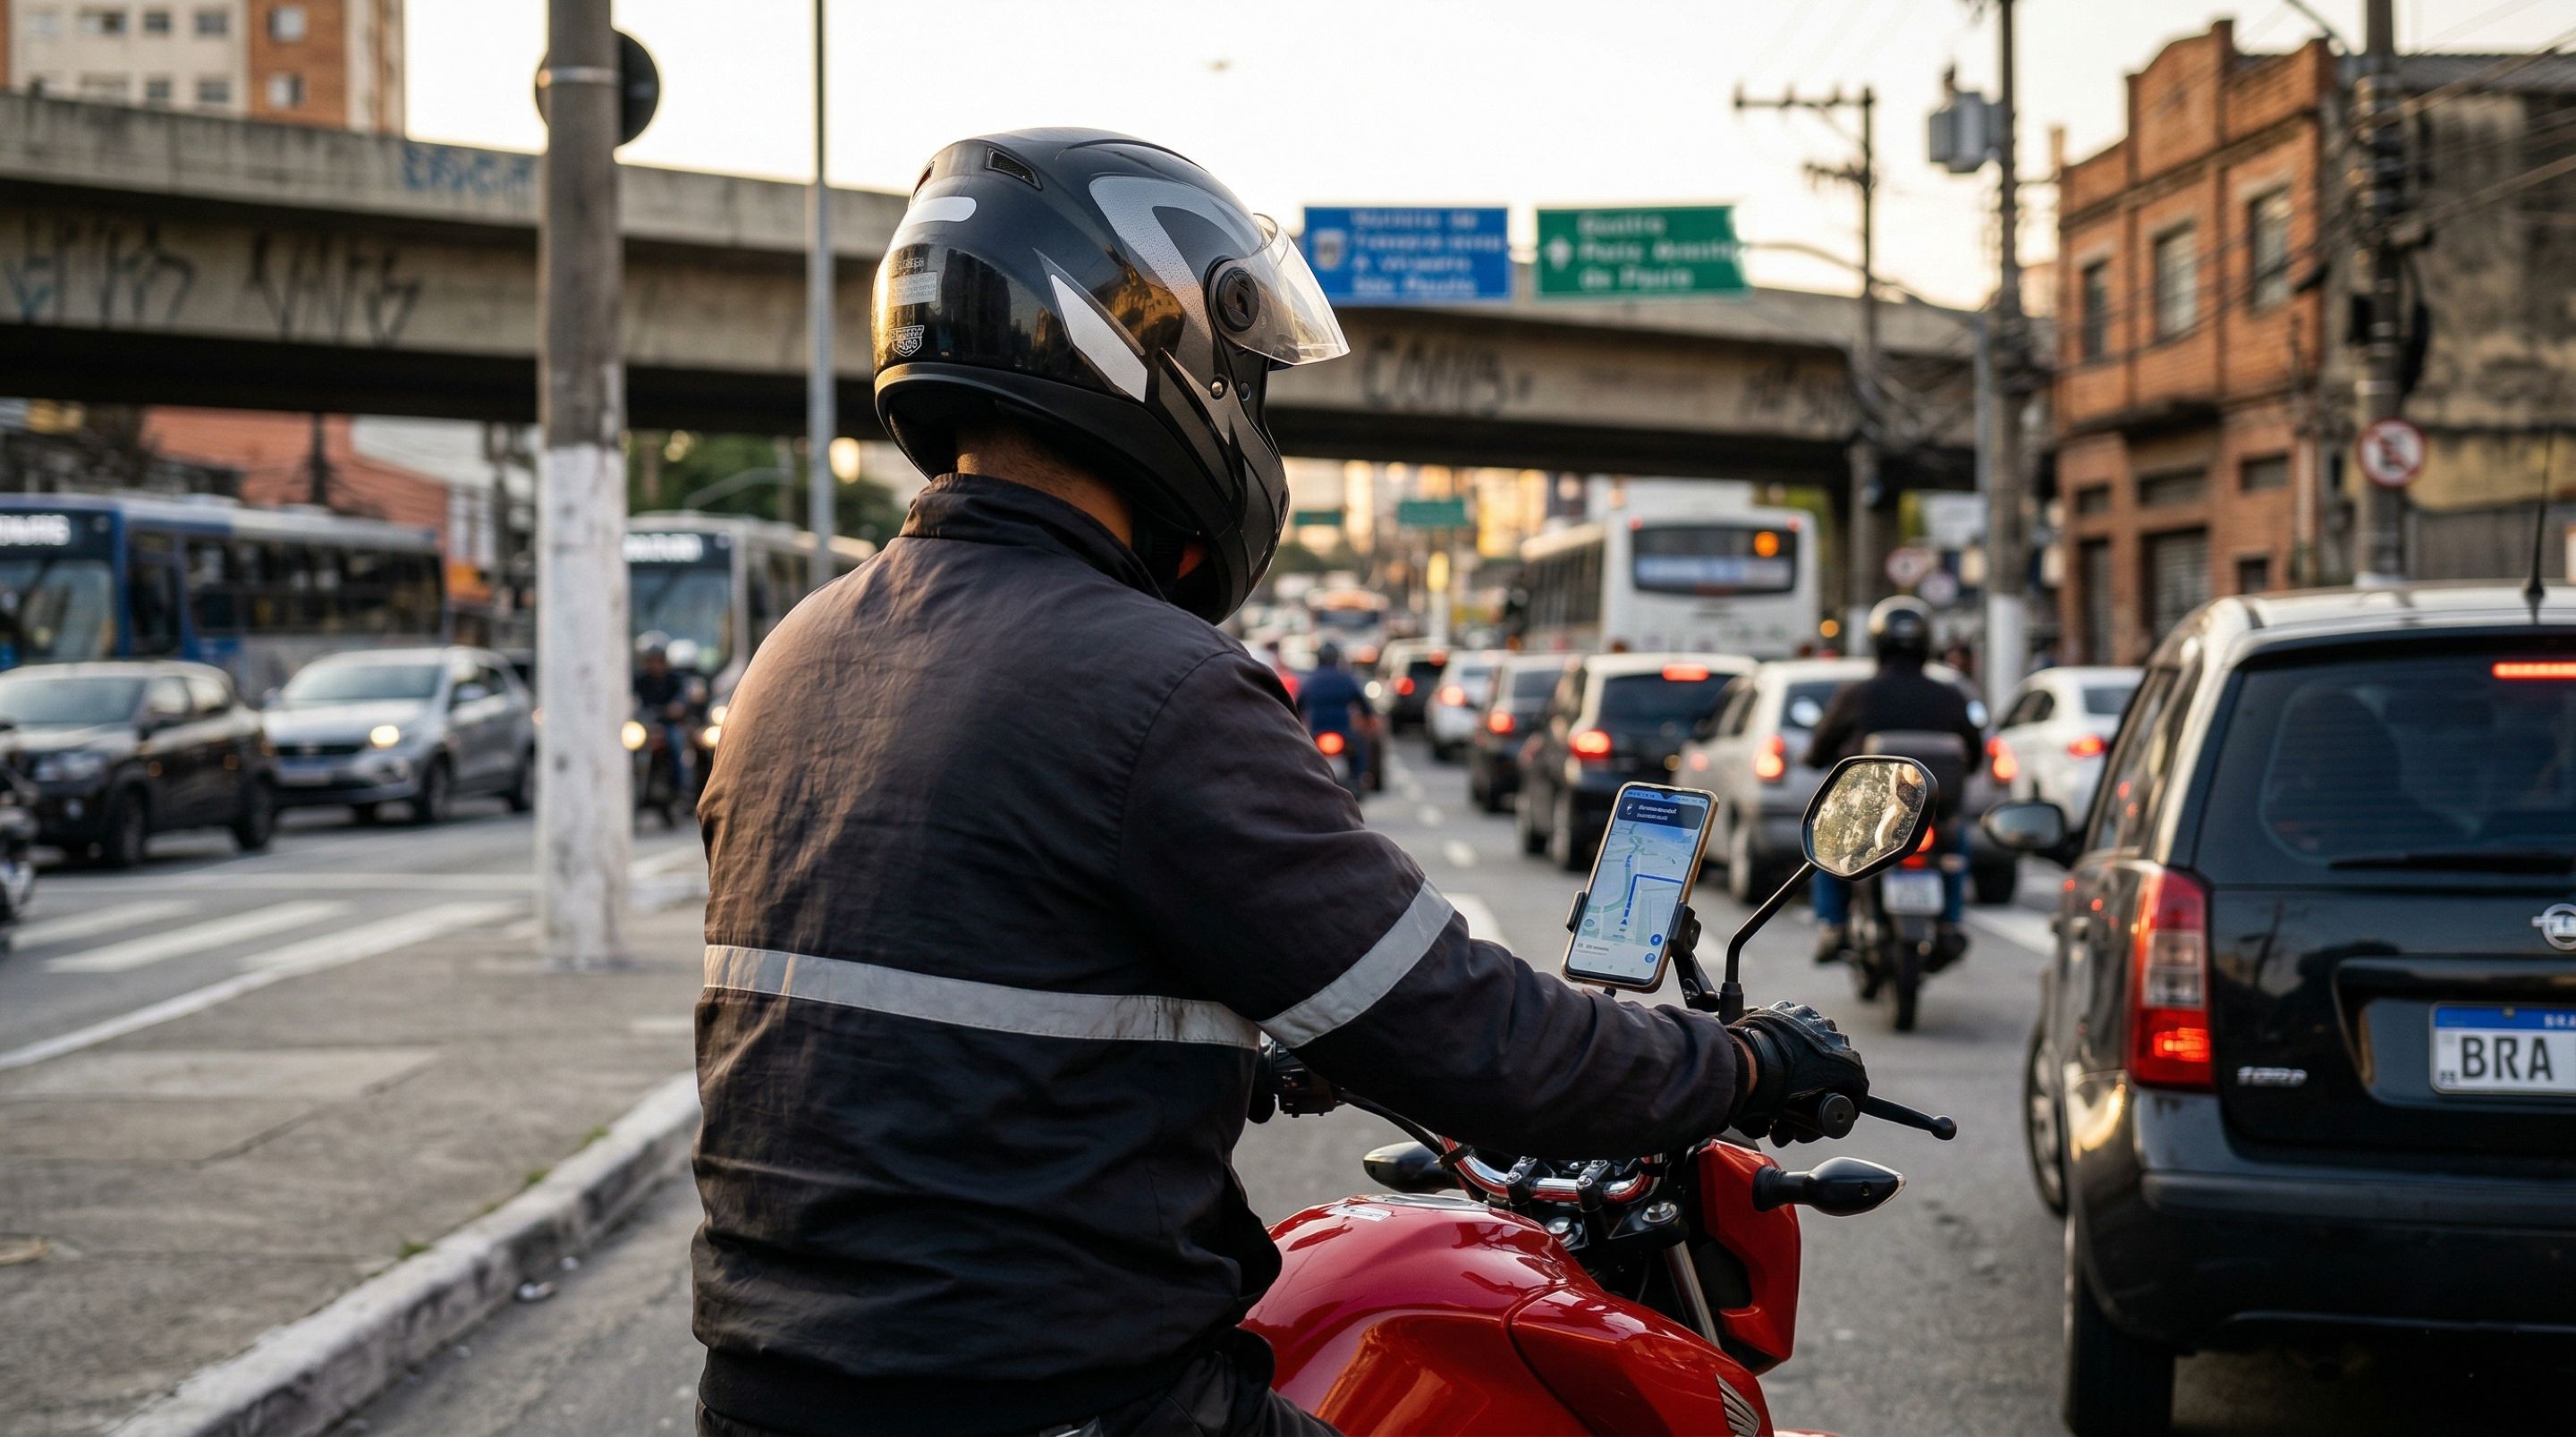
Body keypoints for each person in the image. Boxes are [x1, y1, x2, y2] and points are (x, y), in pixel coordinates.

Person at [690, 128, 1872, 1437]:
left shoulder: (793, 657)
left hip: (766, 1393)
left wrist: (1233, 1040)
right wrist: (1746, 1063)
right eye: (1247, 376)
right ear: (1150, 352)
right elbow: (1476, 1038)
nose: (1251, 412)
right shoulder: (1157, 682)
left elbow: (940, 985)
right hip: (1066, 1401)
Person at [1802, 596, 1984, 966]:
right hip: (1934, 813)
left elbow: (1820, 747)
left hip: (1870, 813)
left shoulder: (1857, 695)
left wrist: (1814, 759)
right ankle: (1949, 924)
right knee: (1955, 847)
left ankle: (1833, 924)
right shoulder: (1949, 695)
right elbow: (1975, 752)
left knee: (1824, 844)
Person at [1293, 640, 1368, 777]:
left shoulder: (1310, 681)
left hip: (1316, 734)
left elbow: (1297, 709)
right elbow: (1364, 705)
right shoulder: (1346, 679)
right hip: (1344, 733)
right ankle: (1359, 779)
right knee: (1360, 748)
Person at [631, 636, 692, 796]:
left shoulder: (675, 679)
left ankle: (681, 789)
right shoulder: (638, 681)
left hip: (668, 725)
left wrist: (677, 708)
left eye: (658, 661)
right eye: (651, 661)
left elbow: (683, 699)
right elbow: (631, 701)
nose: (655, 665)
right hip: (644, 726)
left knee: (676, 741)